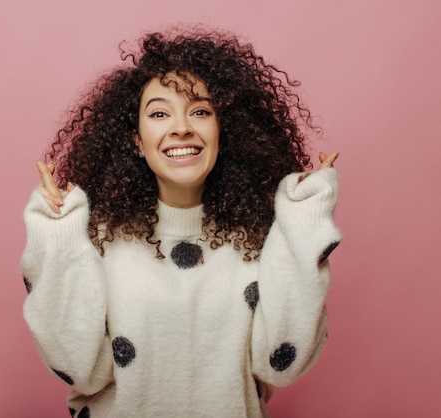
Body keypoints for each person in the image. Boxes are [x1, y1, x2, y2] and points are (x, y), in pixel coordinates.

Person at [21, 27, 341, 418]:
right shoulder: (92, 238)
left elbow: (280, 365)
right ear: (137, 140)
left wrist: (304, 223)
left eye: (201, 111)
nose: (181, 127)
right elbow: (82, 371)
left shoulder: (262, 240)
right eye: (158, 113)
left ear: (224, 131)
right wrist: (56, 239)